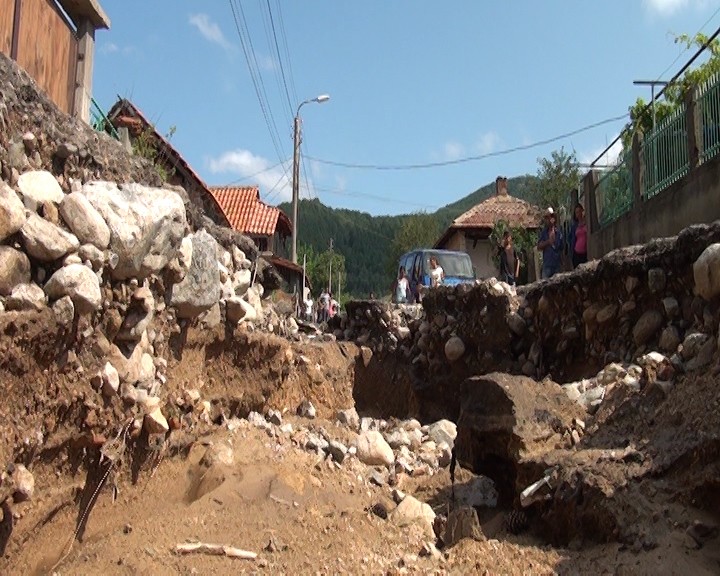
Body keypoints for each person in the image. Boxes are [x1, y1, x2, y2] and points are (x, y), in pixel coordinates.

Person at [537, 207, 563, 279]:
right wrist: (548, 242)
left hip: (556, 265)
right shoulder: (544, 233)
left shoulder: (558, 233)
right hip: (547, 265)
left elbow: (561, 247)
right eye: (547, 218)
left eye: (551, 217)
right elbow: (539, 246)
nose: (549, 219)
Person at [569, 203, 588, 269]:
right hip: (576, 254)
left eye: (579, 211)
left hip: (585, 253)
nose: (578, 214)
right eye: (576, 212)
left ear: (582, 211)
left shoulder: (587, 224)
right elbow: (571, 239)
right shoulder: (574, 226)